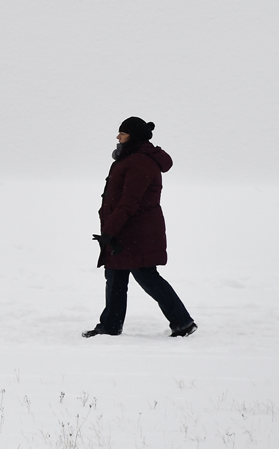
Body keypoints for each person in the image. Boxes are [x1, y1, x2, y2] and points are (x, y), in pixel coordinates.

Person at [83, 117, 197, 338]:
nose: (118, 137)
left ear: (133, 137)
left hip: (137, 233)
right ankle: (110, 326)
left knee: (147, 277)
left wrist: (110, 230)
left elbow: (130, 201)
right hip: (125, 232)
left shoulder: (140, 161)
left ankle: (183, 322)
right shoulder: (129, 158)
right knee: (115, 276)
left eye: (122, 133)